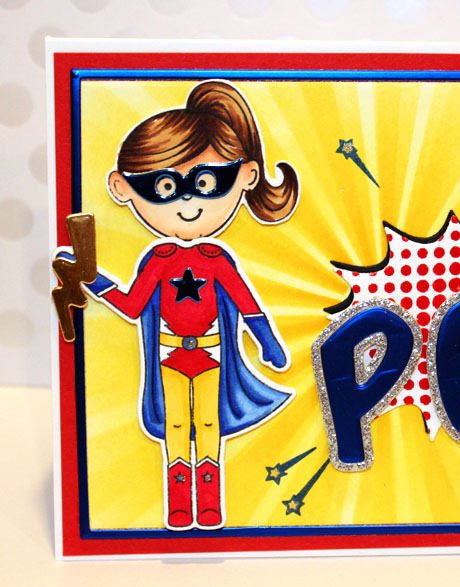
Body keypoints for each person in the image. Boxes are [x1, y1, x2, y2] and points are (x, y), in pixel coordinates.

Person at [59, 80, 299, 530]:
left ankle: (208, 505)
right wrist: (94, 280)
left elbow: (246, 303)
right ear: (122, 188)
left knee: (208, 427)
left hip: (212, 356)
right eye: (164, 186)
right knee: (173, 429)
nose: (188, 198)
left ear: (246, 176)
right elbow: (133, 306)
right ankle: (177, 506)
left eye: (207, 182)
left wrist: (267, 341)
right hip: (170, 356)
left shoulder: (217, 259)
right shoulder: (159, 259)